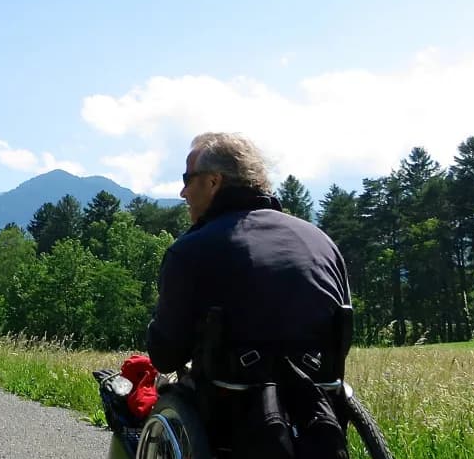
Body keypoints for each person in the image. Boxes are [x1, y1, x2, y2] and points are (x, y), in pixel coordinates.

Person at [146, 132, 351, 376]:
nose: (183, 193)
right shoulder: (322, 243)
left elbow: (166, 357)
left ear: (213, 182)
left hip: (223, 399)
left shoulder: (188, 251)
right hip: (321, 395)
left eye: (187, 179)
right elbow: (343, 337)